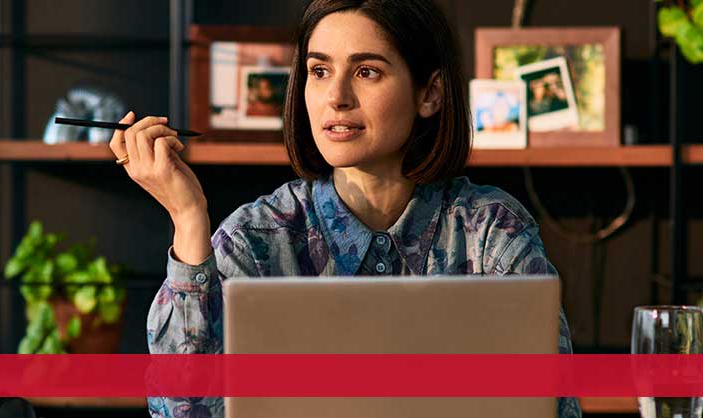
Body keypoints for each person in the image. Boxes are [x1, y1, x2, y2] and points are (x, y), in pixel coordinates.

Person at [108, 1, 581, 417]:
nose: (336, 97)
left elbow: (552, 406)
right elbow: (183, 413)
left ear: (430, 93)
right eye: (319, 71)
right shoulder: (253, 239)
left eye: (366, 71)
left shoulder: (490, 230)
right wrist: (188, 219)